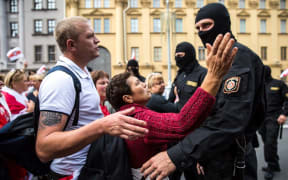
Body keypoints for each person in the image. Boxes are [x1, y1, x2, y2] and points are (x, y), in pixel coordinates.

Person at [141, 3, 266, 180]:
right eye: (198, 28)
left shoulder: (237, 59)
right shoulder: (215, 62)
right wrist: (201, 153)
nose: (201, 32)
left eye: (206, 25)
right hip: (212, 151)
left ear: (223, 23)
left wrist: (178, 154)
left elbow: (230, 119)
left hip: (232, 160)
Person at [106, 32, 238, 180]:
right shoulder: (140, 118)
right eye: (137, 83)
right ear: (128, 98)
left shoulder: (127, 115)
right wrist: (213, 76)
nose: (144, 83)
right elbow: (181, 123)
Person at [35, 16, 148, 179]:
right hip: (74, 174)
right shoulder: (61, 79)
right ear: (71, 44)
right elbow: (44, 149)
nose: (98, 40)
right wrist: (102, 125)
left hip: (94, 168)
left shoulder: (82, 72)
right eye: (89, 36)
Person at [259, 65, 288, 180]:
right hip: (261, 119)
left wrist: (284, 114)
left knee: (270, 143)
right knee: (267, 142)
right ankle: (275, 164)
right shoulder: (259, 86)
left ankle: (271, 166)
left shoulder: (279, 84)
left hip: (274, 118)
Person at [168, 42, 207, 112]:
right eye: (176, 56)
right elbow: (171, 99)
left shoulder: (203, 73)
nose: (177, 58)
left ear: (189, 55)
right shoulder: (180, 74)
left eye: (180, 55)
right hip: (180, 117)